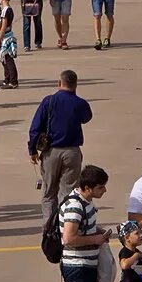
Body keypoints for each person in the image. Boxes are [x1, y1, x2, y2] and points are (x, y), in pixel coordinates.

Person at [28, 69, 90, 224]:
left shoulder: (48, 101)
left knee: (49, 193)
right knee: (68, 193)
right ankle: (66, 224)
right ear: (75, 85)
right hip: (72, 152)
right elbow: (86, 118)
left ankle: (49, 227)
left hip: (51, 153)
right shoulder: (80, 103)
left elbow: (35, 127)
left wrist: (32, 150)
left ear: (59, 83)